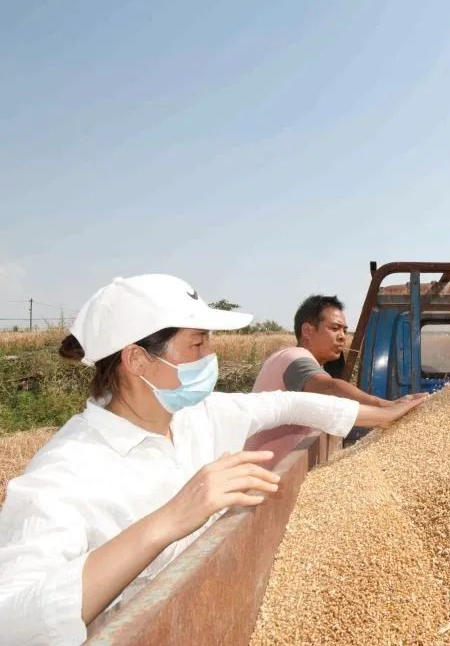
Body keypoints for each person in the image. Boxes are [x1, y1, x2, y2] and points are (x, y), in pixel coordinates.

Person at [0, 275, 426, 645]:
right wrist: (169, 520)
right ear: (135, 358)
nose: (210, 359)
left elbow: (289, 405)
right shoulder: (67, 472)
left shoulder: (194, 417)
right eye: (197, 343)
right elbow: (12, 622)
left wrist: (384, 414)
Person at [253, 295, 423, 444]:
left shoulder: (311, 364)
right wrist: (386, 406)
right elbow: (329, 388)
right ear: (307, 331)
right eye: (335, 328)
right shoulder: (293, 357)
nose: (342, 336)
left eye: (344, 330)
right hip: (266, 472)